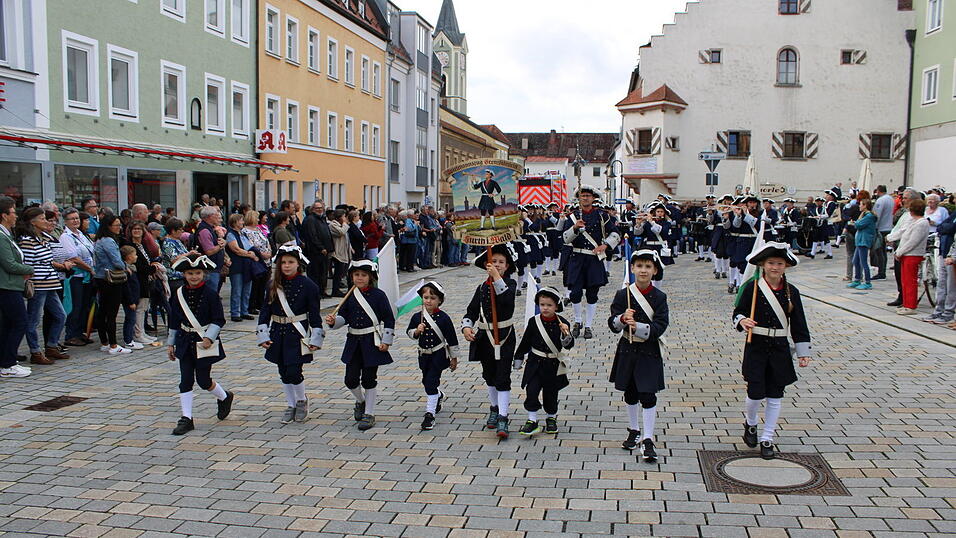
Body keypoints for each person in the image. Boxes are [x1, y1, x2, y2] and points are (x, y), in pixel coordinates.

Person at [733, 242, 811, 459]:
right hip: (756, 345)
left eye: (779, 263)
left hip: (779, 348)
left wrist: (803, 352)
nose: (775, 267)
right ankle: (750, 422)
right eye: (770, 263)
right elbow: (737, 312)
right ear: (763, 265)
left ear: (785, 266)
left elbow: (799, 323)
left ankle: (768, 437)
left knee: (775, 395)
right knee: (755, 393)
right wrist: (742, 321)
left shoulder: (791, 292)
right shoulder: (753, 288)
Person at [608, 250, 669, 461]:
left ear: (655, 271)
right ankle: (634, 430)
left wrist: (640, 327)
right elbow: (612, 324)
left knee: (648, 394)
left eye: (648, 266)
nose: (643, 270)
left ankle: (648, 437)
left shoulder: (660, 297)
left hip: (649, 350)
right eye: (639, 266)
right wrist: (622, 319)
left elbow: (661, 325)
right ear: (632, 269)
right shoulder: (622, 294)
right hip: (627, 349)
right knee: (631, 392)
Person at [166, 253, 233, 435]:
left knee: (203, 380)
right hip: (184, 341)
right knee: (185, 380)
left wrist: (209, 337)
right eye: (189, 273)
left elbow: (219, 319)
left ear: (203, 274)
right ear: (184, 275)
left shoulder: (211, 294)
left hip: (204, 342)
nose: (194, 277)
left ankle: (225, 396)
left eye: (197, 273)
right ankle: (186, 418)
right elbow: (174, 320)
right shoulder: (178, 294)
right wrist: (170, 344)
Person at [324, 260, 395, 431]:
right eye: (356, 275)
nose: (360, 278)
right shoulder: (350, 295)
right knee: (350, 379)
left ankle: (369, 413)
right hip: (354, 342)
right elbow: (344, 318)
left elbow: (389, 318)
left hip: (372, 342)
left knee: (369, 379)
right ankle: (361, 401)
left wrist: (386, 341)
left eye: (363, 275)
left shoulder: (379, 295)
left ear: (371, 277)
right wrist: (334, 321)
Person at [257, 245, 324, 424]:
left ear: (298, 264)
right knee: (283, 371)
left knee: (294, 370)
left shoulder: (309, 286)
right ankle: (290, 404)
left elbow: (315, 314)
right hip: (278, 332)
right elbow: (265, 311)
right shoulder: (273, 284)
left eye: (291, 262)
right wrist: (263, 334)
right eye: (283, 262)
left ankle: (301, 400)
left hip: (297, 333)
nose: (286, 266)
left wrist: (316, 338)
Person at [461, 243, 519, 439]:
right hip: (485, 338)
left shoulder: (510, 284)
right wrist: (466, 327)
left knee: (503, 377)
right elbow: (471, 311)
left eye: (501, 262)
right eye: (493, 262)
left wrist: (496, 277)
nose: (497, 265)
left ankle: (503, 415)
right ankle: (494, 408)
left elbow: (506, 300)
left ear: (508, 266)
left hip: (504, 337)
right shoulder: (481, 287)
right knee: (489, 375)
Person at [560, 187, 621, 340]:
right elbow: (565, 239)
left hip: (593, 259)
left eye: (588, 196)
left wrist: (605, 245)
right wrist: (574, 227)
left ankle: (588, 325)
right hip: (577, 258)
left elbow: (615, 233)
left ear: (593, 198)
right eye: (583, 196)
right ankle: (577, 321)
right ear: (578, 198)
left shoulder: (602, 215)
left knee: (592, 294)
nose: (585, 198)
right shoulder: (572, 217)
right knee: (575, 293)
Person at [515, 286, 574, 437]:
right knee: (532, 391)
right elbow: (526, 341)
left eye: (549, 305)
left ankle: (551, 418)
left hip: (553, 365)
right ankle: (532, 420)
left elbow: (569, 345)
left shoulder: (563, 322)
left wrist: (566, 333)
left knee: (551, 393)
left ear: (556, 306)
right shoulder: (534, 321)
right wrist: (519, 356)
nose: (545, 308)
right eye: (542, 304)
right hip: (535, 362)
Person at [17, 207, 71, 365]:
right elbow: (27, 263)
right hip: (39, 284)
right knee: (33, 320)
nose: (45, 221)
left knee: (61, 315)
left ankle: (51, 346)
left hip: (51, 282)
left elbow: (49, 258)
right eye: (42, 219)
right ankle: (35, 351)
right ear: (33, 222)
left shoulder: (44, 237)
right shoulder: (27, 240)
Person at [406, 281, 459, 430]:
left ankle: (429, 415)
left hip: (438, 355)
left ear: (439, 300)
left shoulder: (444, 318)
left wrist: (454, 358)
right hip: (423, 355)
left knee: (431, 381)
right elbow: (409, 333)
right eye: (426, 297)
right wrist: (417, 331)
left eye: (432, 297)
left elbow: (452, 339)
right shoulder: (417, 317)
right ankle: (438, 395)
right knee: (426, 380)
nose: (428, 300)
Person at [0, 197, 33, 378]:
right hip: (7, 286)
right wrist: (29, 269)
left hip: (12, 284)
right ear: (4, 215)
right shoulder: (1, 236)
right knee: (20, 321)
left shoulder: (7, 234)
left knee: (8, 324)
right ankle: (8, 363)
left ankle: (6, 361)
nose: (16, 216)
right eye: (13, 212)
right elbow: (9, 264)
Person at [93, 215, 131, 354]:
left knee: (102, 311)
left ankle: (104, 342)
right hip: (111, 279)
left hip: (100, 277)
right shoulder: (108, 241)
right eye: (116, 225)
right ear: (108, 226)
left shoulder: (99, 240)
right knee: (111, 313)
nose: (119, 227)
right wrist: (125, 266)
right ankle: (113, 345)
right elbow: (116, 261)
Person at [60, 208, 96, 347]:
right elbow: (73, 257)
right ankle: (71, 335)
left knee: (84, 306)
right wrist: (89, 269)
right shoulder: (66, 236)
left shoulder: (81, 234)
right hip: (76, 276)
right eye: (72, 219)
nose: (75, 221)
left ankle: (80, 332)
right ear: (66, 221)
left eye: (77, 218)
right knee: (75, 306)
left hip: (87, 276)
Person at [892, 199, 930, 316]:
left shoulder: (922, 223)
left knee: (910, 281)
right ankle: (906, 303)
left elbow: (913, 241)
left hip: (913, 254)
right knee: (905, 281)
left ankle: (911, 305)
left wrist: (900, 252)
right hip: (907, 254)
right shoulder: (913, 221)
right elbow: (904, 235)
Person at [124, 221, 160, 344]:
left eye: (139, 229)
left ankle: (142, 332)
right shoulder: (130, 246)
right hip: (137, 280)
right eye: (134, 228)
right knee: (139, 308)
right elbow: (138, 266)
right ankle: (138, 334)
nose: (137, 231)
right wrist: (153, 269)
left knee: (144, 307)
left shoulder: (143, 245)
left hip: (146, 280)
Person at [224, 213, 258, 322]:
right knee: (237, 290)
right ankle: (235, 313)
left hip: (247, 265)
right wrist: (249, 254)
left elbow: (250, 245)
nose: (242, 222)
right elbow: (236, 249)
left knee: (247, 290)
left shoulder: (243, 234)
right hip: (237, 265)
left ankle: (244, 311)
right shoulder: (230, 234)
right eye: (241, 221)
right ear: (235, 222)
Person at [301, 202, 333, 296]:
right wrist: (321, 247)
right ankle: (315, 292)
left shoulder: (321, 219)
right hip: (316, 252)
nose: (319, 209)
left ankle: (322, 291)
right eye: (317, 208)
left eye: (321, 208)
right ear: (313, 209)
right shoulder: (310, 219)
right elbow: (312, 236)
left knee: (323, 272)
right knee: (315, 273)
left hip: (325, 251)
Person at [242, 211, 271, 315]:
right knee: (255, 284)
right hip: (257, 259)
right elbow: (250, 245)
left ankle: (260, 303)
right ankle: (252, 305)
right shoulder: (245, 231)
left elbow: (265, 241)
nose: (258, 220)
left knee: (263, 284)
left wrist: (269, 252)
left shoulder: (258, 229)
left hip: (266, 260)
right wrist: (261, 254)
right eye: (257, 218)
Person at [191, 207, 227, 290]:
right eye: (216, 215)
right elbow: (209, 251)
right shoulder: (204, 231)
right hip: (209, 269)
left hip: (214, 268)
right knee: (210, 293)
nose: (219, 217)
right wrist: (221, 245)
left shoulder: (210, 228)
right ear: (210, 216)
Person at [848, 199, 876, 290]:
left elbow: (859, 225)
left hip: (864, 240)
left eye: (861, 205)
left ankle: (868, 282)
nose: (859, 206)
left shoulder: (869, 216)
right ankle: (857, 279)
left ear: (865, 206)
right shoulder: (864, 215)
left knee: (863, 262)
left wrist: (854, 223)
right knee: (855, 261)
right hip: (859, 240)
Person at [119, 245, 143, 350]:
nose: (136, 256)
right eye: (135, 254)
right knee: (130, 319)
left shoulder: (132, 268)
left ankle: (130, 339)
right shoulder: (126, 270)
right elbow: (127, 288)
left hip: (134, 298)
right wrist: (131, 301)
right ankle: (128, 340)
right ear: (129, 256)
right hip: (130, 300)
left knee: (131, 319)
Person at [161, 218, 190, 293]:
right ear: (173, 231)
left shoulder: (177, 241)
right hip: (174, 278)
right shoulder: (168, 243)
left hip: (183, 276)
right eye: (180, 229)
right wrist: (189, 254)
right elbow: (173, 260)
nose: (182, 231)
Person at [872, 185, 894, 280]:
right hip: (888, 226)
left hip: (881, 228)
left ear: (878, 191)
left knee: (879, 251)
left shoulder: (881, 200)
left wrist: (874, 227)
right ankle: (882, 270)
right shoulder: (890, 199)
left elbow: (877, 215)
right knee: (883, 251)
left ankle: (881, 272)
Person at [329, 209, 352, 296]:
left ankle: (337, 288)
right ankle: (335, 290)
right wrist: (345, 224)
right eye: (344, 216)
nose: (345, 218)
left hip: (344, 251)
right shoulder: (333, 225)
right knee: (338, 272)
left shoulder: (342, 225)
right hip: (337, 252)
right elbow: (341, 232)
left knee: (342, 271)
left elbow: (346, 237)